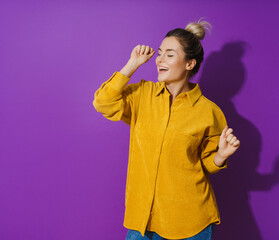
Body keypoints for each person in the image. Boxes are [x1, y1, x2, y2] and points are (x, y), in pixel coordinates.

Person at [93, 18, 240, 240]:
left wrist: (221, 155)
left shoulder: (209, 111)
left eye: (169, 55)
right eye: (160, 52)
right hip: (143, 219)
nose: (160, 59)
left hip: (192, 222)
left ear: (189, 64)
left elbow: (205, 164)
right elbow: (103, 103)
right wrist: (132, 64)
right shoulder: (141, 94)